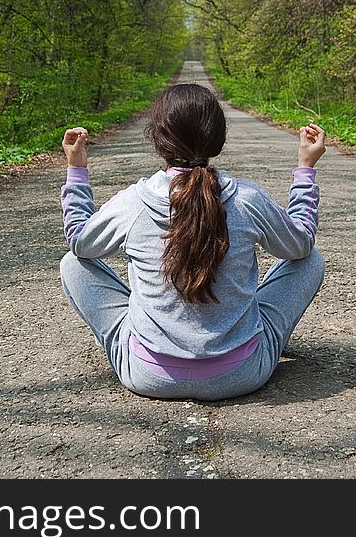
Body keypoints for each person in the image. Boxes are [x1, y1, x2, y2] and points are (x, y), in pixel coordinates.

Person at [59, 83, 326, 401]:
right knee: (311, 260)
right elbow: (300, 245)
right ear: (218, 138)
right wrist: (305, 170)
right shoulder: (247, 198)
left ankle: (150, 345)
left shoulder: (133, 203)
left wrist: (76, 169)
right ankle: (248, 342)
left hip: (148, 375)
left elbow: (79, 241)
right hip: (243, 374)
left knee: (73, 263)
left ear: (158, 139)